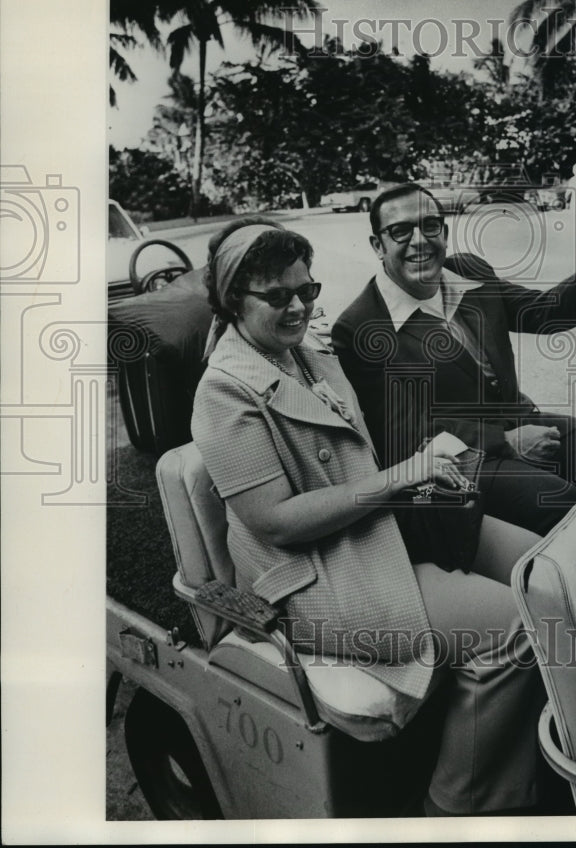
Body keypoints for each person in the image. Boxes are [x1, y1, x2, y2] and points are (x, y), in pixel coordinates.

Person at [191, 217, 549, 817]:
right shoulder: (224, 391)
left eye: (308, 290)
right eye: (278, 297)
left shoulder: (306, 355)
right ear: (233, 301)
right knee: (515, 628)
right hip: (314, 579)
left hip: (371, 533)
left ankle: (532, 747)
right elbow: (275, 522)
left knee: (545, 569)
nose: (300, 306)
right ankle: (459, 804)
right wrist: (404, 475)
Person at [332, 184, 576, 560]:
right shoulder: (360, 327)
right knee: (574, 509)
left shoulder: (469, 270)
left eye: (430, 225)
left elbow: (542, 312)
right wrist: (507, 442)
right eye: (401, 231)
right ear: (377, 245)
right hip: (459, 460)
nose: (420, 240)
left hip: (522, 421)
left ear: (445, 232)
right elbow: (404, 434)